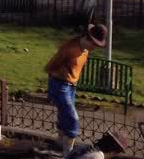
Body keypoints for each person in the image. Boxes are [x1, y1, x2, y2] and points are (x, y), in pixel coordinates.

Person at [43, 23, 107, 151]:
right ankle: (68, 153)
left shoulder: (85, 50)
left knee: (63, 115)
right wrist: (57, 78)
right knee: (73, 119)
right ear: (88, 38)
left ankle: (59, 145)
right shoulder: (70, 49)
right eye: (94, 44)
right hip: (60, 85)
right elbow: (52, 64)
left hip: (71, 86)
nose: (94, 47)